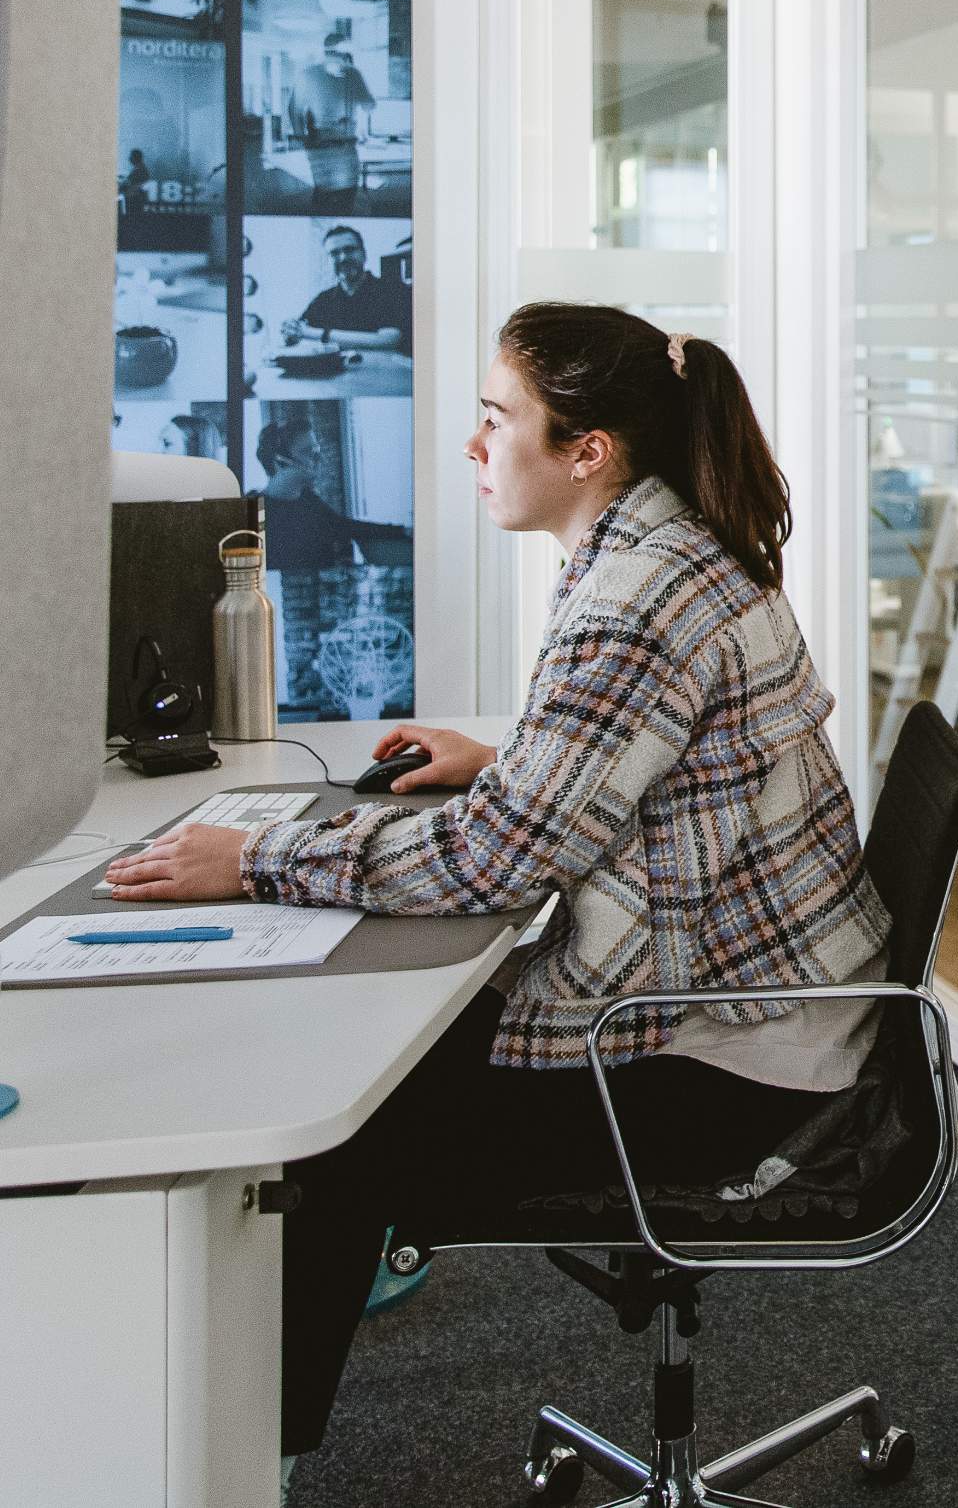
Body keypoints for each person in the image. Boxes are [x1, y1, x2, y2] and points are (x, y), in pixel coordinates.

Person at [106, 306, 893, 1477]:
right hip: (777, 999)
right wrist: (508, 763)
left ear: (588, 450)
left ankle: (240, 1468)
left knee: (339, 1135)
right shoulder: (656, 545)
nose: (475, 449)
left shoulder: (637, 596)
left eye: (495, 420)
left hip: (733, 1055)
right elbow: (622, 765)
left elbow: (495, 863)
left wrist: (254, 858)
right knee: (365, 1057)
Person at [281, 225, 411, 354]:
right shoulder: (323, 299)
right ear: (328, 261)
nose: (343, 258)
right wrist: (291, 332)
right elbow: (299, 333)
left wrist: (320, 334)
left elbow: (388, 340)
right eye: (334, 253)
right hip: (335, 374)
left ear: (364, 254)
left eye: (349, 250)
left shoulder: (393, 290)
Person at [254, 416, 357, 571]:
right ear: (278, 461)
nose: (317, 459)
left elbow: (345, 526)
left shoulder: (309, 501)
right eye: (307, 452)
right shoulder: (253, 513)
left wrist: (402, 531)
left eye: (316, 449)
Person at [285, 38, 372, 212]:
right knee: (344, 195)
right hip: (339, 143)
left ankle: (324, 226)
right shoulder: (351, 74)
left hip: (322, 144)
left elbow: (294, 109)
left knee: (327, 195)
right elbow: (369, 105)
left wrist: (301, 136)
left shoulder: (309, 74)